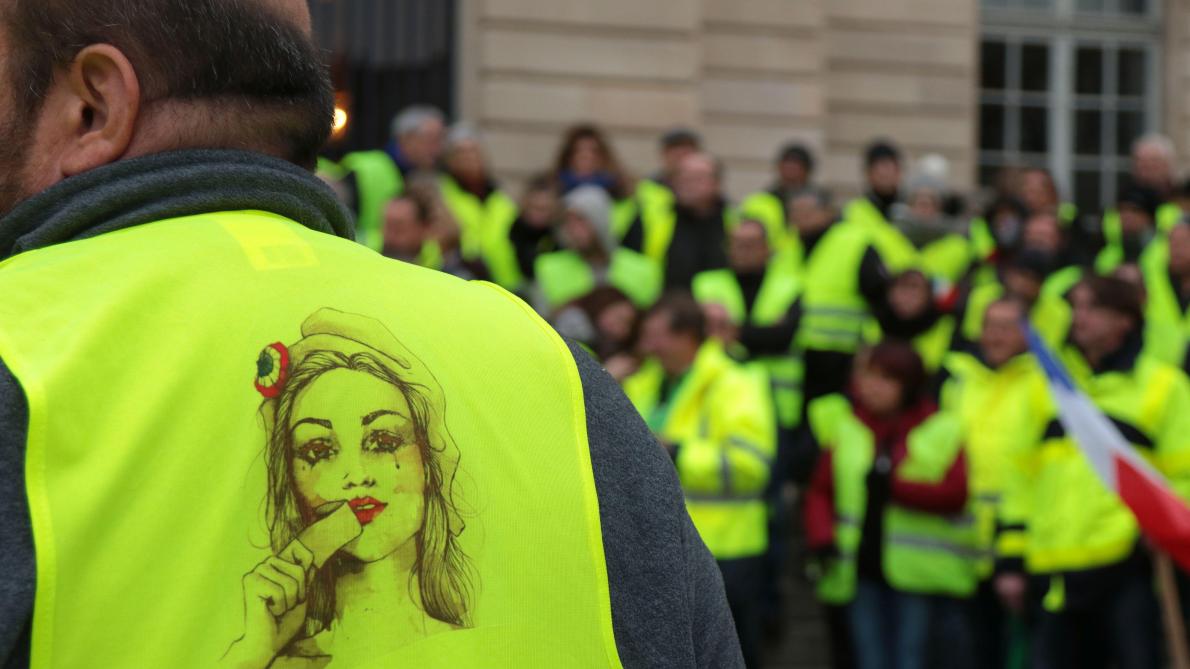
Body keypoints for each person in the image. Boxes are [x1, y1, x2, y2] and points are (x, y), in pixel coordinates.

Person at [0, 2, 744, 667]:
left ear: (96, 106)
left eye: (385, 440)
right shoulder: (554, 371)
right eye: (319, 449)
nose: (357, 478)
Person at [997, 277, 1190, 669]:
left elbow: (1184, 473)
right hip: (1053, 573)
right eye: (1075, 307)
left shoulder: (1163, 386)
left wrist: (1166, 530)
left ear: (1125, 320)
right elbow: (1019, 477)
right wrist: (1010, 562)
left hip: (1128, 568)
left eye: (1092, 308)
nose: (1079, 318)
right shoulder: (1046, 386)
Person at [622, 294, 776, 669]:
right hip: (661, 549)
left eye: (656, 336)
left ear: (687, 337)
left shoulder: (736, 383)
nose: (648, 345)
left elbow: (752, 466)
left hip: (728, 547)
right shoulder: (642, 383)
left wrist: (677, 454)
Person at [803, 341, 975, 669]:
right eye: (868, 377)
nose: (872, 387)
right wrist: (821, 538)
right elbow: (820, 490)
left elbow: (956, 492)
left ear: (907, 385)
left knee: (910, 658)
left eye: (885, 379)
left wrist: (895, 488)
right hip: (860, 569)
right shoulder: (847, 425)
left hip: (915, 573)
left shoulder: (942, 427)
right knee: (870, 659)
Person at [939, 297, 1052, 669]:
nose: (996, 335)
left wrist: (1016, 554)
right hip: (962, 544)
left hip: (1023, 541)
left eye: (1007, 326)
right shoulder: (959, 381)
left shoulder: (1044, 384)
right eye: (990, 325)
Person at [533, 185, 661, 313]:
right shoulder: (548, 267)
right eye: (567, 222)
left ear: (600, 219)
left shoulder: (644, 269)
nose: (573, 230)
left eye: (581, 220)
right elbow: (541, 317)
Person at [338, 105, 446, 251]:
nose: (437, 149)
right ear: (406, 138)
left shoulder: (432, 176)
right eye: (431, 140)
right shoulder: (366, 169)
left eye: (441, 140)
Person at [624, 152, 735, 291]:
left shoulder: (734, 223)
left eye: (697, 178)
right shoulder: (651, 218)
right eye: (682, 177)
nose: (688, 184)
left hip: (718, 308)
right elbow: (627, 264)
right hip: (662, 304)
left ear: (717, 183)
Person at [437, 124, 521, 289]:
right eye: (461, 152)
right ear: (449, 159)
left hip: (505, 285)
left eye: (473, 151)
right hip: (461, 283)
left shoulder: (500, 198)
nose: (469, 157)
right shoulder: (441, 194)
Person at [840, 140, 918, 274]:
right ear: (868, 174)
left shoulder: (913, 208)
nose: (884, 174)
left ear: (899, 172)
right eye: (878, 169)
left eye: (889, 168)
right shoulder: (853, 211)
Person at [739, 142, 816, 252]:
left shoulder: (817, 206)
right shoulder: (758, 202)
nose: (791, 175)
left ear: (806, 173)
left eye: (796, 170)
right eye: (788, 169)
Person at [1141, 219, 1190, 369]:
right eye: (1171, 242)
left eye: (1185, 242)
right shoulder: (1148, 284)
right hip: (1157, 381)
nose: (1176, 249)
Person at [1094, 185, 1163, 275]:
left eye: (1135, 210)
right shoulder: (1108, 253)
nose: (1126, 216)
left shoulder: (1167, 249)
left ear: (1149, 216)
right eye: (1121, 210)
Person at [507, 174, 561, 281]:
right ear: (525, 205)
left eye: (545, 208)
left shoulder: (559, 237)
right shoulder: (512, 233)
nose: (540, 214)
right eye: (535, 207)